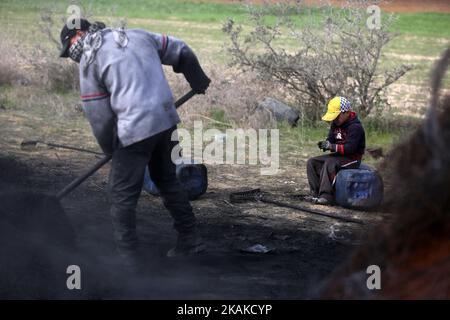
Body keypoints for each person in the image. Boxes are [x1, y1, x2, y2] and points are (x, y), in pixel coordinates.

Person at [59, 18, 211, 271]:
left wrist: (111, 148)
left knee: (120, 194)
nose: (71, 56)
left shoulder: (89, 59)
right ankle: (190, 239)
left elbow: (98, 114)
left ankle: (128, 259)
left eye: (69, 48)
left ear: (77, 36)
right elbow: (181, 49)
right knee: (168, 180)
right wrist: (197, 78)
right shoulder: (139, 35)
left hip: (135, 128)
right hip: (166, 119)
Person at [306, 97, 366, 205]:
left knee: (330, 163)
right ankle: (315, 193)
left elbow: (350, 149)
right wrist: (326, 144)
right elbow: (331, 139)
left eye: (336, 117)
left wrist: (332, 147)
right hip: (338, 156)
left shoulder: (355, 127)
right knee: (312, 162)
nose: (334, 120)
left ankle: (326, 196)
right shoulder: (335, 124)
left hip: (352, 158)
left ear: (346, 112)